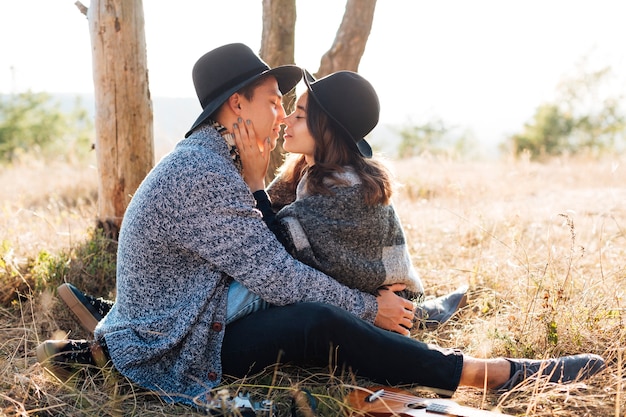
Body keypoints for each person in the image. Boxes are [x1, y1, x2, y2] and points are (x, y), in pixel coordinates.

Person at [37, 43, 605, 408]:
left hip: (196, 313)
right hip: (176, 345)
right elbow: (278, 274)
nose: (282, 113)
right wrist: (368, 308)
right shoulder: (204, 172)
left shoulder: (218, 159)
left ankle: (100, 346)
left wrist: (259, 185)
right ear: (237, 107)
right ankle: (487, 373)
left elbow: (266, 254)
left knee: (318, 314)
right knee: (319, 321)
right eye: (273, 100)